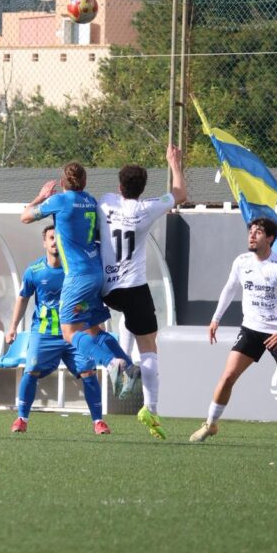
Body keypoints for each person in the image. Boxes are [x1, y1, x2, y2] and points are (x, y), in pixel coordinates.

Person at [190, 218, 277, 443]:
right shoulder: (242, 262)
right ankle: (211, 424)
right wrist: (215, 319)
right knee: (227, 377)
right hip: (251, 329)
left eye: (258, 232)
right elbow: (230, 288)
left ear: (270, 238)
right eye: (250, 231)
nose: (252, 235)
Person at [20, 162, 138, 411]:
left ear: (63, 182)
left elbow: (25, 216)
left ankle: (111, 363)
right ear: (85, 182)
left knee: (69, 333)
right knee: (92, 328)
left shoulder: (59, 201)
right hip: (96, 273)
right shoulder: (91, 201)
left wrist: (41, 197)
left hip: (77, 277)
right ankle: (127, 364)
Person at [97, 144, 187, 439]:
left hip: (106, 288)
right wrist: (174, 163)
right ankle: (151, 408)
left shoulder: (106, 202)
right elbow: (179, 194)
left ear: (119, 186)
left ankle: (116, 360)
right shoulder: (147, 208)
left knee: (102, 322)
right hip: (134, 287)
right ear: (142, 188)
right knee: (148, 346)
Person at [7, 225, 109, 435]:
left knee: (88, 371)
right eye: (51, 238)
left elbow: (90, 298)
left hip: (75, 332)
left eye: (58, 237)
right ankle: (21, 419)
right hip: (44, 332)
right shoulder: (34, 271)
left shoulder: (77, 268)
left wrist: (92, 322)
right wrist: (12, 327)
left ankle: (98, 421)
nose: (55, 241)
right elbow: (23, 298)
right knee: (31, 370)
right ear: (44, 242)